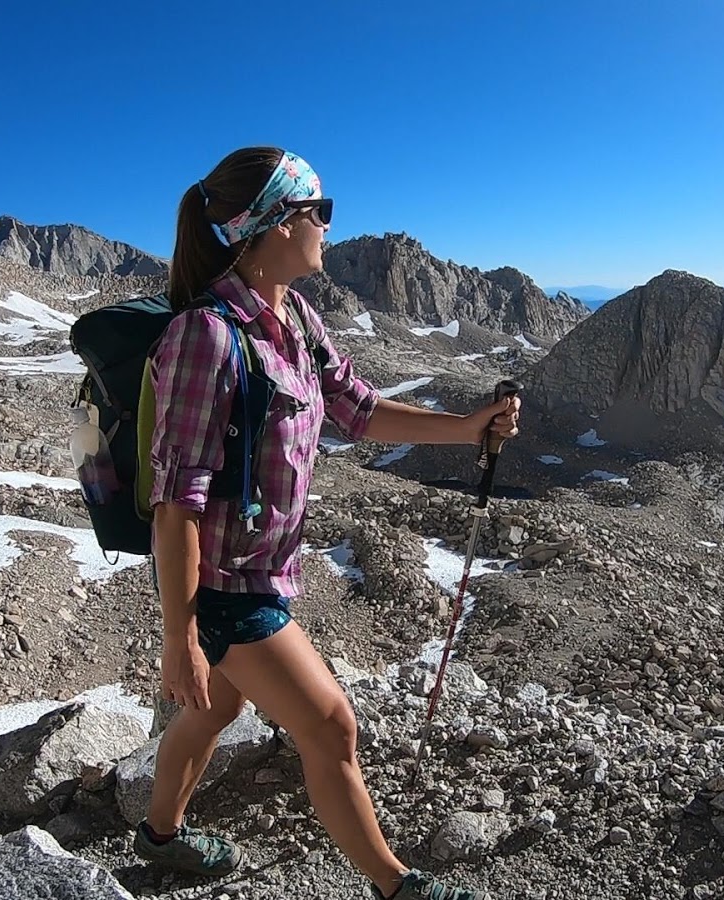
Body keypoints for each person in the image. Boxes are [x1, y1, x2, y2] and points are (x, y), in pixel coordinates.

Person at [132, 146, 518, 900]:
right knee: (332, 726)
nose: (330, 227)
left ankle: (159, 836)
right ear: (275, 223)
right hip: (223, 585)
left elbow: (360, 412)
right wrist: (179, 632)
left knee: (220, 706)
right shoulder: (205, 335)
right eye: (320, 211)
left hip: (255, 573)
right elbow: (175, 500)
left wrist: (471, 427)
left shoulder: (296, 317)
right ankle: (396, 886)